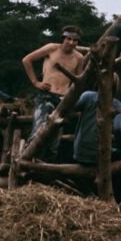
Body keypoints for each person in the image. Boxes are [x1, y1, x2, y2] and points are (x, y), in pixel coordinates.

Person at [22, 26, 84, 161]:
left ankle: (43, 172)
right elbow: (27, 60)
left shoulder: (79, 57)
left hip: (63, 99)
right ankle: (25, 161)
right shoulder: (52, 48)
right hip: (46, 95)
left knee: (54, 139)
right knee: (40, 130)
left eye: (75, 40)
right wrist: (35, 82)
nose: (71, 43)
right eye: (69, 39)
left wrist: (72, 95)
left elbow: (78, 80)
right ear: (63, 39)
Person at [72, 78, 121, 165]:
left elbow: (71, 107)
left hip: (79, 153)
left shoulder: (87, 96)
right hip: (99, 154)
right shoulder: (116, 104)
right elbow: (118, 129)